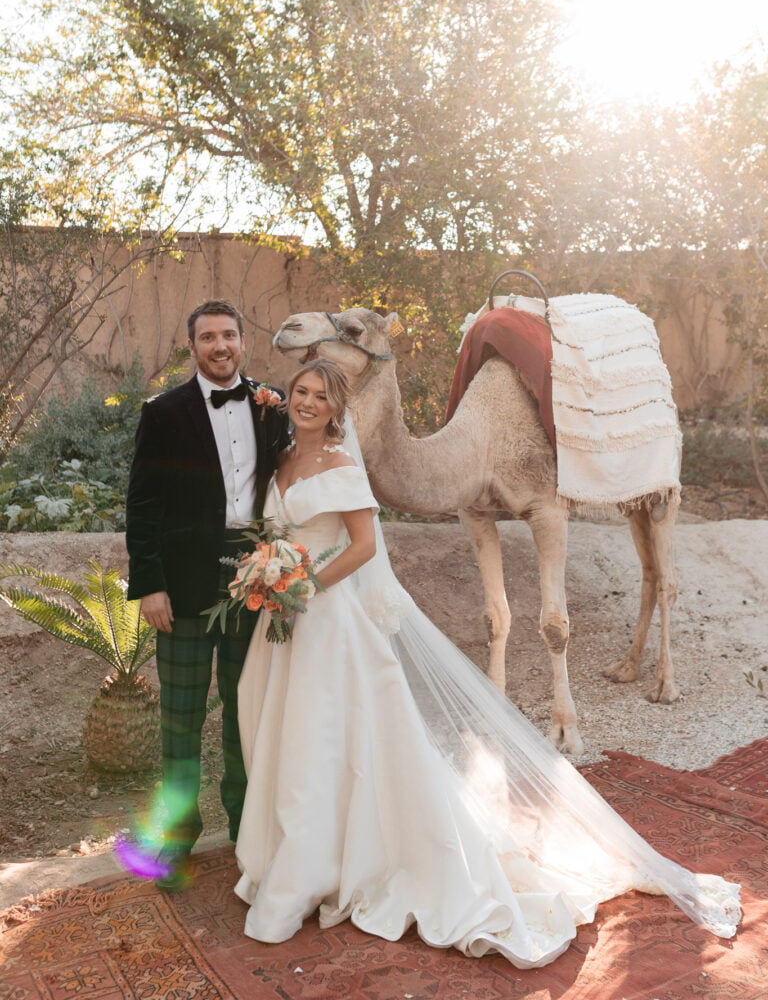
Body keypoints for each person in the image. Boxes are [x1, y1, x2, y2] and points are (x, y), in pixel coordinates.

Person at [233, 358, 741, 968]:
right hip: (281, 616)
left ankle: (314, 869)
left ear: (339, 408)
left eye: (320, 395)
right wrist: (267, 575)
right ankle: (299, 853)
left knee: (322, 739)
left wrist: (305, 585)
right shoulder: (283, 458)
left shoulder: (343, 465)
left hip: (325, 618)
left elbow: (364, 546)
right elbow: (275, 533)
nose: (308, 402)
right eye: (301, 392)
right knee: (283, 732)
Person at [126, 298, 290, 890]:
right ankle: (175, 841)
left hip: (257, 584)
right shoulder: (164, 412)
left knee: (246, 717)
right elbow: (142, 506)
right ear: (192, 347)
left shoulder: (274, 407)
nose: (220, 346)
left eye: (229, 335)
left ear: (243, 340)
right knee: (181, 722)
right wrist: (149, 585)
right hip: (185, 587)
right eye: (208, 338)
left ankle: (249, 829)